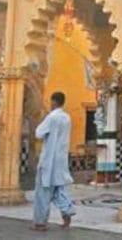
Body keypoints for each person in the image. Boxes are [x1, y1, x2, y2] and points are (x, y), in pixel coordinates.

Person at [31, 91, 76, 231]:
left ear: (54, 102)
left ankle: (40, 223)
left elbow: (38, 133)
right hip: (61, 160)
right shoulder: (67, 117)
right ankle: (67, 212)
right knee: (59, 188)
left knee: (43, 191)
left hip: (48, 160)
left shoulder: (52, 117)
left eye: (51, 102)